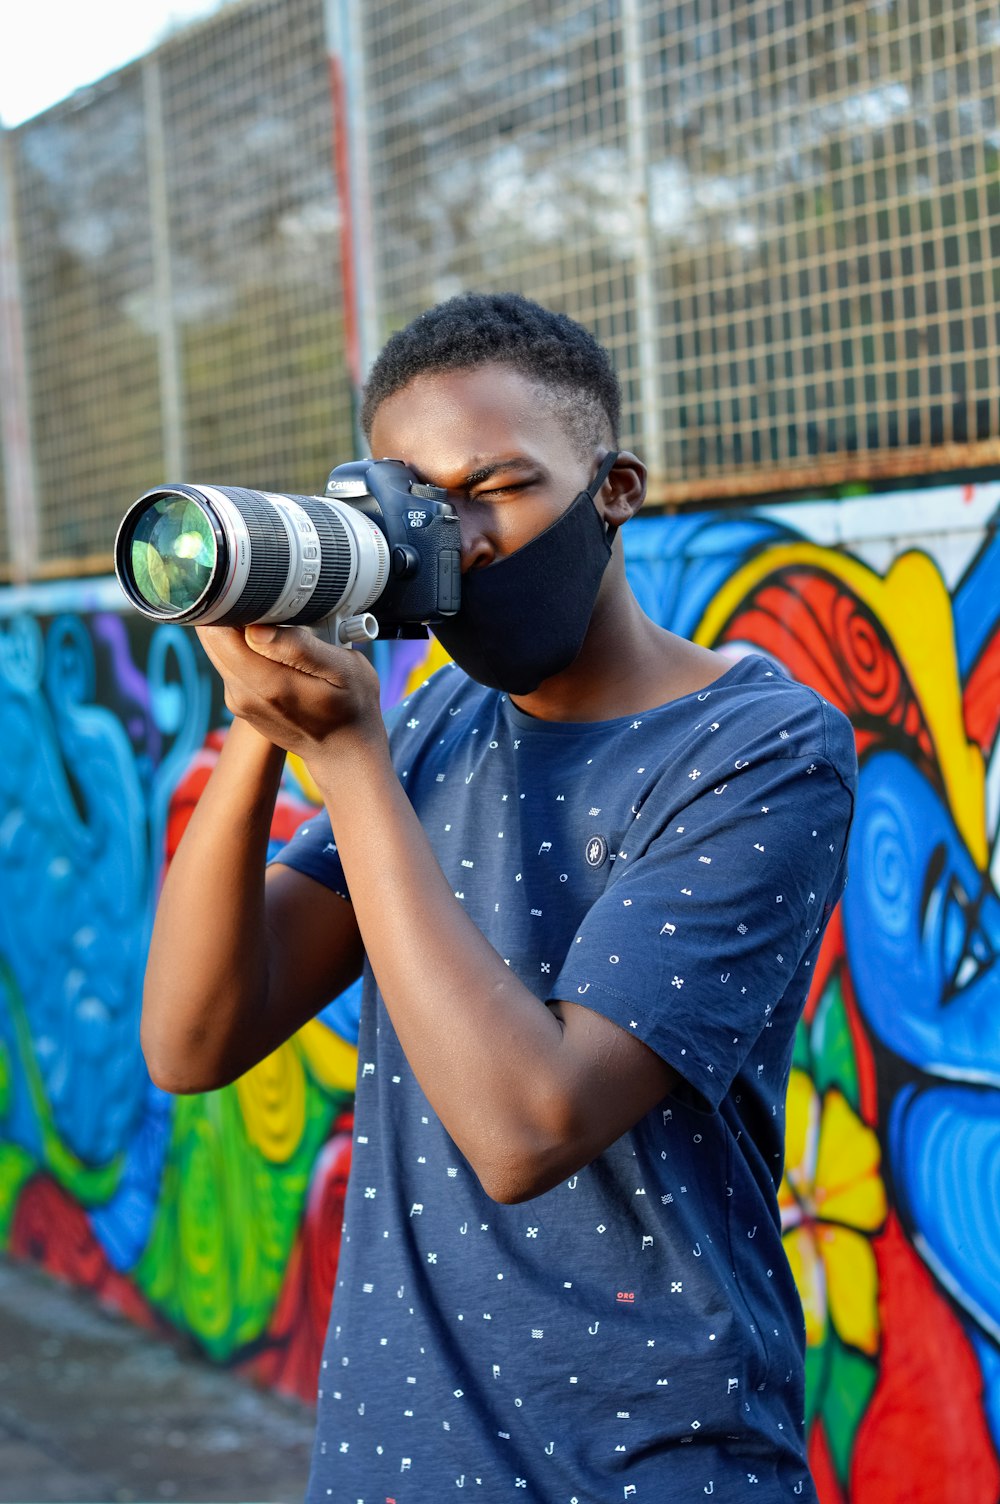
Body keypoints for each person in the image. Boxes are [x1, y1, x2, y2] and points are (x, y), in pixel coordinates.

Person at [141, 293, 857, 1502]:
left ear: (615, 488)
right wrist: (259, 725)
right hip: (394, 1455)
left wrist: (354, 758)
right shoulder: (439, 723)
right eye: (413, 503)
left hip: (647, 1459)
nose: (455, 538)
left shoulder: (758, 748)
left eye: (497, 488)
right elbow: (191, 1037)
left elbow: (531, 1127)